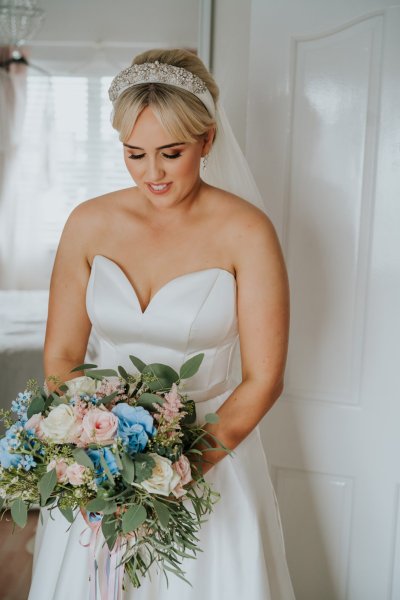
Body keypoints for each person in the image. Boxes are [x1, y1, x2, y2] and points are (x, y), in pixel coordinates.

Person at [28, 48, 295, 599]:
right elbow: (60, 357)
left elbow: (264, 379)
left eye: (171, 153)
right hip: (101, 465)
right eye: (135, 153)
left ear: (207, 141)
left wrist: (173, 472)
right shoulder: (89, 223)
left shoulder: (247, 233)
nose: (153, 173)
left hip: (209, 460)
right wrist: (98, 454)